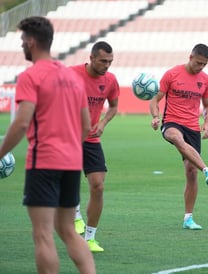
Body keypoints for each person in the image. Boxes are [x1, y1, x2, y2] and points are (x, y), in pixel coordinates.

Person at [0, 16, 95, 273]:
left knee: (42, 235)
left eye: (22, 40)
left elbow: (21, 123)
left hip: (43, 162)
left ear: (30, 41)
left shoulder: (31, 76)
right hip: (72, 162)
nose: (21, 45)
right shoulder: (72, 78)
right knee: (68, 231)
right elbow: (85, 126)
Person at [150, 43, 208, 230]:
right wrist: (156, 117)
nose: (201, 67)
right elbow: (155, 99)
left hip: (192, 127)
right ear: (190, 57)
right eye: (198, 63)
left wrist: (207, 123)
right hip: (172, 122)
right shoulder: (172, 74)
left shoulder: (205, 79)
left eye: (204, 64)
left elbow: (207, 105)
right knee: (176, 138)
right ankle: (207, 169)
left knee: (191, 173)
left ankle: (188, 218)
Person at [71, 41, 120, 252]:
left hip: (91, 139)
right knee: (68, 180)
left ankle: (90, 238)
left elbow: (114, 106)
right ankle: (74, 214)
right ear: (91, 58)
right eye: (103, 61)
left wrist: (102, 123)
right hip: (68, 137)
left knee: (98, 186)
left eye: (110, 61)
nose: (107, 65)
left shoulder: (110, 80)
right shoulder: (70, 75)